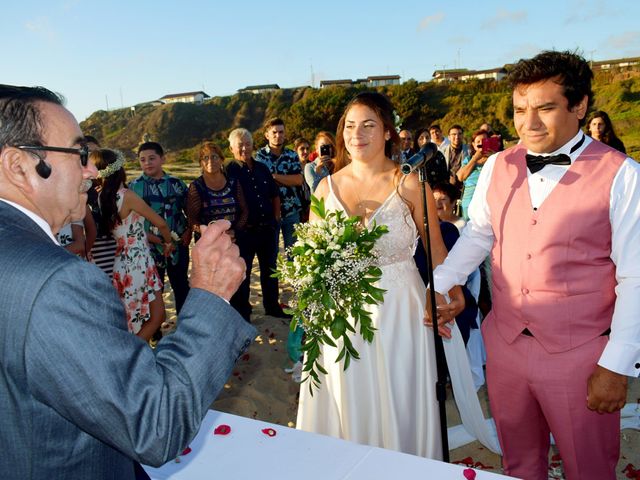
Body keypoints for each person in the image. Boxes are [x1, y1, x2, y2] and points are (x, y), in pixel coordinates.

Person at [0, 84, 255, 479]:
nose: (91, 170)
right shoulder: (55, 283)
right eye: (78, 153)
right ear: (19, 166)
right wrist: (210, 293)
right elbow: (156, 424)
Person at [433, 51, 640, 480]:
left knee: (589, 468)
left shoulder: (623, 174)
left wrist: (616, 365)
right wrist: (441, 282)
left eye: (545, 108)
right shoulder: (496, 164)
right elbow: (478, 234)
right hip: (505, 345)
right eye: (520, 110)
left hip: (581, 353)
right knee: (518, 463)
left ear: (579, 106)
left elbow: (636, 277)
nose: (529, 123)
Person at [296, 91, 463, 459]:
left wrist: (451, 290)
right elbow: (312, 257)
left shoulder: (409, 183)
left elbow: (436, 248)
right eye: (351, 126)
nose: (358, 134)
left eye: (369, 125)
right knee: (348, 398)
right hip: (340, 313)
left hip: (399, 310)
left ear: (388, 132)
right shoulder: (325, 188)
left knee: (399, 397)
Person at [93, 148, 172, 341]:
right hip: (138, 262)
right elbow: (160, 222)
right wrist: (168, 241)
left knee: (143, 317)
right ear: (120, 170)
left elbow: (128, 231)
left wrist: (155, 240)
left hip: (123, 262)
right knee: (151, 317)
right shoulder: (126, 195)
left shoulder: (101, 197)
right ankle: (134, 355)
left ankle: (135, 354)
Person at [226, 128, 290, 320]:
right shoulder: (229, 170)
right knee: (242, 273)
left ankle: (272, 306)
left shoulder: (262, 168)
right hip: (244, 232)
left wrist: (276, 219)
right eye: (240, 145)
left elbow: (274, 194)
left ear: (253, 145)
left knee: (270, 271)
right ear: (231, 148)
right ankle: (243, 311)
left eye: (248, 143)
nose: (245, 148)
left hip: (267, 229)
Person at [130, 142, 190, 320]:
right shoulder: (134, 187)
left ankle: (184, 326)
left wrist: (187, 234)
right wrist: (156, 240)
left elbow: (190, 210)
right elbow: (132, 222)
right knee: (153, 290)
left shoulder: (176, 184)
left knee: (181, 285)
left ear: (162, 159)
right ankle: (155, 333)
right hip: (148, 246)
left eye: (151, 158)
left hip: (177, 245)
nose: (147, 163)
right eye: (142, 160)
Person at [255, 117, 304, 253]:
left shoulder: (292, 155)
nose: (278, 136)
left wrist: (274, 177)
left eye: (281, 132)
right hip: (269, 212)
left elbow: (298, 180)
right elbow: (262, 183)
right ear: (267, 135)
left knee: (294, 254)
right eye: (274, 133)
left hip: (292, 210)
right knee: (270, 254)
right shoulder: (260, 156)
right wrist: (287, 178)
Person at [187, 142, 247, 242]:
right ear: (201, 163)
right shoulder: (196, 187)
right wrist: (210, 234)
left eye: (214, 157)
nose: (210, 161)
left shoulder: (233, 183)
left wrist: (234, 231)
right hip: (208, 244)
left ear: (221, 160)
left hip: (233, 241)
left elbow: (244, 211)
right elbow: (192, 220)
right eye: (206, 158)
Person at [456, 129, 492, 220]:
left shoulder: (495, 158)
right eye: (478, 142)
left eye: (484, 140)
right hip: (469, 203)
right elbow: (460, 177)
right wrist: (475, 158)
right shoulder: (469, 160)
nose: (481, 144)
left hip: (488, 201)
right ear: (473, 144)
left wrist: (494, 157)